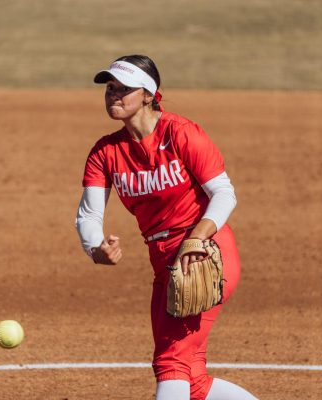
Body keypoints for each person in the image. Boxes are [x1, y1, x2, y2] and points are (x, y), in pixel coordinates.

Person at [75, 55, 258, 400]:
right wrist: (95, 247)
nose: (113, 94)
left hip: (204, 254)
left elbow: (224, 193)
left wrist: (197, 238)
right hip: (164, 263)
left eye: (123, 88)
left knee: (170, 361)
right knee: (193, 378)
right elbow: (88, 215)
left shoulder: (180, 133)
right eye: (109, 88)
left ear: (147, 94)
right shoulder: (105, 153)